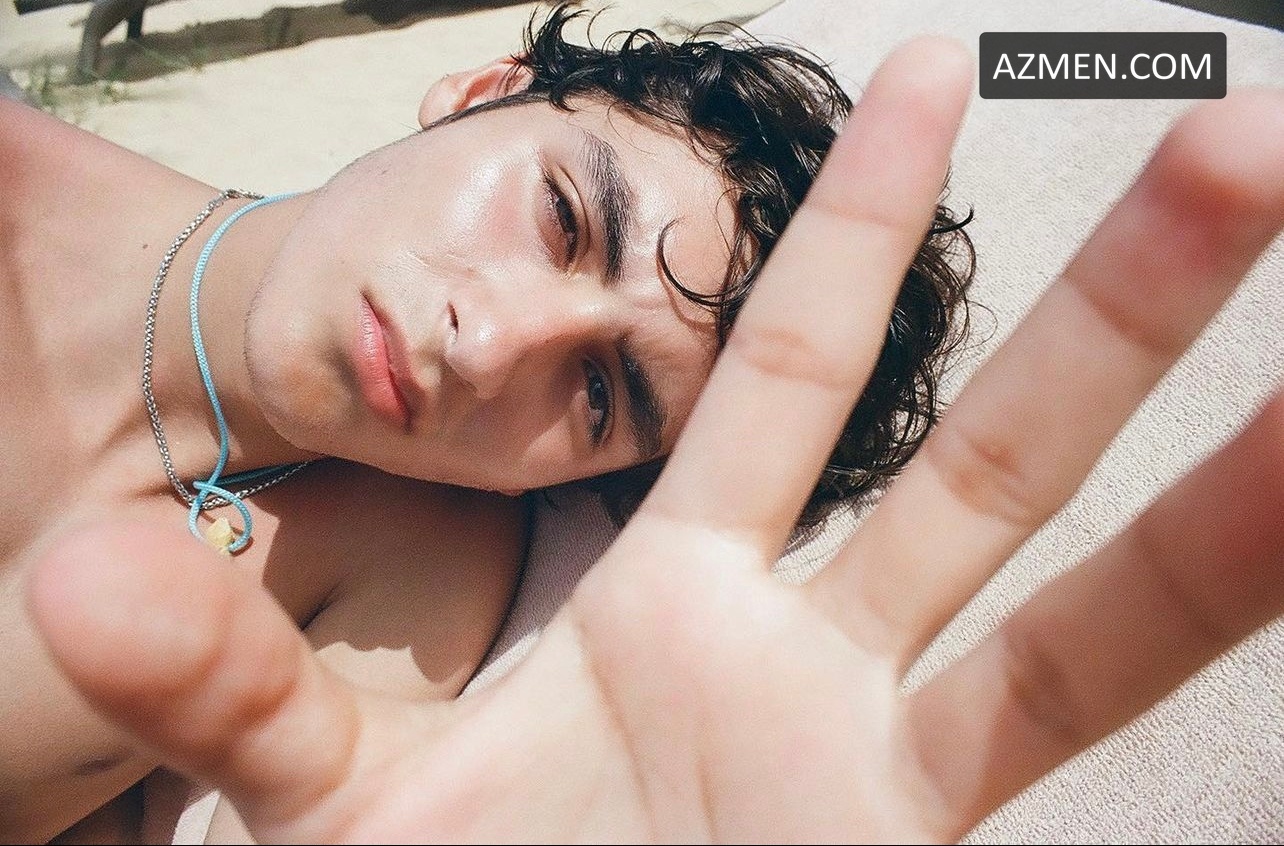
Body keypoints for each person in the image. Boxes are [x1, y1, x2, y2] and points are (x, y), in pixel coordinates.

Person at [22, 16, 1284, 843]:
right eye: (562, 218)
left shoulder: (419, 576)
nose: (487, 346)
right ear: (479, 93)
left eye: (597, 396)